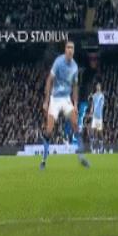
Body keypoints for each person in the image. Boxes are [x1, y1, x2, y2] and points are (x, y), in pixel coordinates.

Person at [40, 41, 90, 169]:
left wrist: (75, 104)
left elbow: (75, 86)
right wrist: (46, 101)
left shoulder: (74, 66)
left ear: (74, 51)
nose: (70, 50)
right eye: (68, 47)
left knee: (75, 124)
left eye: (72, 48)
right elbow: (49, 80)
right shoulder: (58, 62)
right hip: (55, 99)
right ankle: (44, 160)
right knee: (49, 130)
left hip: (66, 99)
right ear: (65, 50)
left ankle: (81, 156)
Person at [90, 83, 105, 154]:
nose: (98, 87)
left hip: (99, 117)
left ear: (100, 87)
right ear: (96, 87)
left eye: (99, 86)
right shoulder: (94, 95)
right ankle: (92, 147)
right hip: (94, 116)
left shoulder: (102, 96)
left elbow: (102, 105)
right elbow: (92, 105)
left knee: (99, 133)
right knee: (92, 131)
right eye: (97, 86)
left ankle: (101, 147)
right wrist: (91, 110)